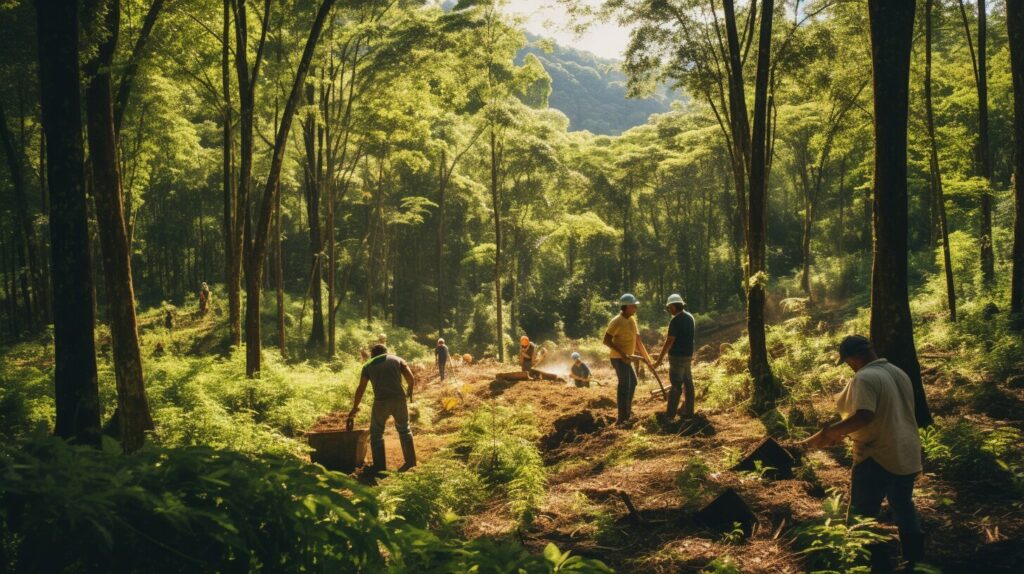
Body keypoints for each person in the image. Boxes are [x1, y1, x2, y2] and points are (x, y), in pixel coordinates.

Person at [800, 335, 924, 570]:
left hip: (876, 455)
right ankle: (915, 559)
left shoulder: (865, 377)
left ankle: (867, 562)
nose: (850, 366)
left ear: (853, 358)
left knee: (860, 514)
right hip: (906, 450)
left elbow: (865, 415)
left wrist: (830, 434)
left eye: (847, 361)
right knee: (903, 504)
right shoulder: (898, 372)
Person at [347, 344, 417, 473]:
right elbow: (410, 377)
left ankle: (380, 467)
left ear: (373, 354)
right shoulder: (397, 359)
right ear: (386, 352)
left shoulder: (368, 366)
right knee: (404, 429)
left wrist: (355, 407)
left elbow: (361, 388)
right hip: (399, 400)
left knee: (377, 433)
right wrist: (410, 391)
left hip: (381, 402)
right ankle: (411, 462)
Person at [603, 293, 652, 424]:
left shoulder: (632, 320)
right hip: (618, 359)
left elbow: (638, 341)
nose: (635, 308)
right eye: (633, 306)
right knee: (624, 385)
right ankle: (622, 417)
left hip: (627, 358)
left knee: (633, 383)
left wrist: (647, 358)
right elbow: (606, 340)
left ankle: (627, 411)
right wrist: (622, 353)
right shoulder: (616, 321)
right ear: (625, 307)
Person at [654, 294, 695, 418]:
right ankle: (689, 412)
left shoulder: (675, 320)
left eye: (669, 307)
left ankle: (670, 415)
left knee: (676, 385)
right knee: (688, 383)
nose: (669, 310)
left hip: (676, 357)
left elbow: (669, 341)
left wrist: (659, 359)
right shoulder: (690, 317)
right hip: (688, 356)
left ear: (673, 306)